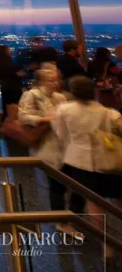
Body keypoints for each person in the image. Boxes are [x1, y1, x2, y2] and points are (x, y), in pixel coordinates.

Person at [53, 76, 122, 232]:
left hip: (80, 162)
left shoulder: (64, 110)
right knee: (118, 197)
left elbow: (61, 136)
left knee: (94, 202)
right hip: (108, 161)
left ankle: (106, 242)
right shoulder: (108, 113)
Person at [18, 68, 80, 223]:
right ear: (42, 82)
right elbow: (23, 117)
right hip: (47, 145)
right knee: (56, 185)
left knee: (74, 184)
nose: (55, 83)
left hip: (64, 145)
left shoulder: (59, 97)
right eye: (51, 80)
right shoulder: (31, 95)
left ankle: (74, 215)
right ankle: (60, 219)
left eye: (57, 79)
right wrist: (45, 119)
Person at [0, 44, 26, 119]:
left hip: (6, 88)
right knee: (13, 106)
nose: (11, 51)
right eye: (9, 50)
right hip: (12, 88)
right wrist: (18, 74)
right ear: (5, 52)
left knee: (7, 106)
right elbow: (11, 74)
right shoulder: (7, 62)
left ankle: (7, 122)